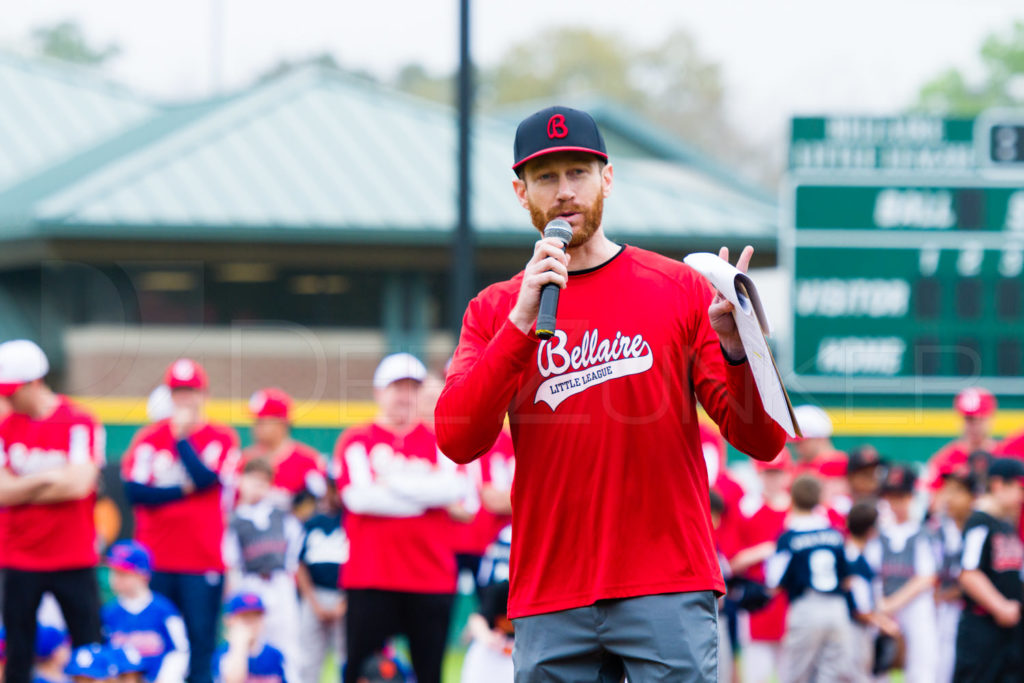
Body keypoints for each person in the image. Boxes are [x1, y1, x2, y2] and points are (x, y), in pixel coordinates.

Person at [435, 105, 787, 681]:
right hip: (551, 589)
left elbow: (763, 440)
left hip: (667, 583)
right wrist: (522, 324)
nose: (565, 191)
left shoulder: (678, 289)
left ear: (608, 178)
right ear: (522, 193)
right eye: (546, 178)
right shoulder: (495, 308)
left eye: (578, 172)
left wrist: (739, 349)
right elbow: (457, 439)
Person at [334, 353, 468, 683]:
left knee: (429, 672)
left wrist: (391, 481)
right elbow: (359, 498)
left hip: (431, 576)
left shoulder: (442, 439)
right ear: (379, 392)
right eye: (397, 387)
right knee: (359, 671)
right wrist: (424, 492)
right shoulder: (356, 439)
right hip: (371, 576)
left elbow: (454, 489)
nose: (405, 396)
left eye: (412, 388)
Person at [120, 359, 242, 683]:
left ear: (204, 394)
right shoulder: (148, 437)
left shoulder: (221, 436)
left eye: (191, 392)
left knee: (200, 643)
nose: (185, 399)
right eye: (178, 392)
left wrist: (181, 438)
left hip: (201, 559)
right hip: (156, 558)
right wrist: (184, 489)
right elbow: (136, 492)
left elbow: (205, 478)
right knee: (155, 644)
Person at [0, 340, 105, 682]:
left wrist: (22, 486)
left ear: (34, 382)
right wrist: (48, 477)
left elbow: (79, 485)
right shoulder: (6, 424)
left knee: (89, 650)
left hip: (73, 556)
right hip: (18, 557)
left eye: (12, 390)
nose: (7, 398)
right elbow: (2, 493)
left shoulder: (79, 421)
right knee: (17, 654)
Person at [766, 475, 853, 683]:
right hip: (837, 609)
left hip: (807, 607)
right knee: (830, 675)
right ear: (819, 499)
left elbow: (773, 581)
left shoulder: (789, 537)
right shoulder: (835, 533)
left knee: (797, 675)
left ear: (792, 499)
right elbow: (848, 579)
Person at [223, 458, 302, 680]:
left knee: (288, 643)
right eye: (252, 480)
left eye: (263, 481)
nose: (257, 486)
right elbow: (231, 561)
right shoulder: (235, 519)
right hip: (251, 582)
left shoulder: (281, 514)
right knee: (251, 641)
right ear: (241, 481)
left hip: (279, 581)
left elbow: (295, 547)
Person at [864, 464, 938, 683]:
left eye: (901, 497)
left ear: (912, 497)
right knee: (876, 666)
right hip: (883, 604)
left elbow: (927, 577)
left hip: (913, 604)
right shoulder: (878, 534)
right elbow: (871, 573)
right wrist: (882, 605)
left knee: (922, 666)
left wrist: (893, 603)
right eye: (891, 497)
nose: (896, 504)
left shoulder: (923, 532)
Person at [954, 458, 1024, 681]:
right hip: (982, 628)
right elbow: (968, 573)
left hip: (1009, 634)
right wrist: (999, 606)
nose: (1021, 497)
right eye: (1018, 488)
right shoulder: (979, 522)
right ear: (997, 485)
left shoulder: (1005, 524)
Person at [732, 448, 791, 683]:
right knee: (756, 675)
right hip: (757, 604)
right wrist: (767, 549)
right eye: (768, 473)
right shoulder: (747, 508)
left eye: (777, 473)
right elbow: (731, 562)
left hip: (791, 604)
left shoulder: (797, 509)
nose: (773, 478)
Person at [101, 540, 189, 683]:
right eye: (114, 572)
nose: (116, 578)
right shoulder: (109, 612)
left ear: (143, 575)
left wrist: (168, 676)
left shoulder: (164, 609)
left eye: (123, 573)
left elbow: (180, 650)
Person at [296, 478, 348, 683]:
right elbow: (300, 565)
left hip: (346, 597)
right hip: (315, 595)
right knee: (307, 657)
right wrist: (313, 602)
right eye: (331, 488)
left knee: (347, 656)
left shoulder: (353, 521)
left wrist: (344, 602)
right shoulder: (312, 523)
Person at [243, 388, 327, 507]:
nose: (256, 427)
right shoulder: (245, 459)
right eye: (255, 422)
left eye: (262, 422)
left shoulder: (307, 460)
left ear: (281, 423)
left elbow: (319, 505)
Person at [933, 464, 976, 683]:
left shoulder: (979, 529)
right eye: (947, 489)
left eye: (958, 491)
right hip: (939, 612)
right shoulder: (936, 529)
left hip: (972, 614)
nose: (949, 497)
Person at [460, 525, 514, 683]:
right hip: (495, 650)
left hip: (526, 652)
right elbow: (478, 619)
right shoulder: (502, 589)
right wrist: (487, 637)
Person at [925, 387, 998, 493]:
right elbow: (930, 501)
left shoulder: (1005, 455)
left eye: (981, 419)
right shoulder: (944, 459)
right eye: (970, 419)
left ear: (991, 418)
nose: (975, 426)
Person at [213, 593, 287, 683]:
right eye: (246, 618)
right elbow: (233, 680)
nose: (252, 624)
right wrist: (240, 646)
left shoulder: (275, 655)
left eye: (256, 617)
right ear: (230, 621)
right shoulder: (224, 654)